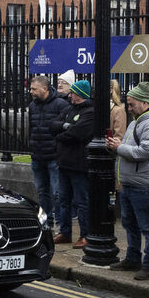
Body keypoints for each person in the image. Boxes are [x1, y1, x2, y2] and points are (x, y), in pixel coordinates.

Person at [108, 81, 149, 279]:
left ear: (144, 103)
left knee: (147, 226)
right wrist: (114, 145)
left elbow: (145, 151)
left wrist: (119, 148)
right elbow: (128, 147)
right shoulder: (136, 121)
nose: (129, 107)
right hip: (129, 182)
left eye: (132, 103)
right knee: (129, 224)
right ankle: (133, 259)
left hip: (143, 184)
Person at [50, 79, 96, 248]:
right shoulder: (69, 109)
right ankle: (65, 232)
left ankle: (85, 234)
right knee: (63, 200)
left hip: (79, 164)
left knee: (81, 200)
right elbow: (52, 125)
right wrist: (64, 127)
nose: (70, 95)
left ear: (81, 94)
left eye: (73, 92)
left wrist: (61, 134)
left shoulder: (90, 112)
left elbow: (78, 133)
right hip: (63, 162)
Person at [27, 75, 69, 238]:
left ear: (44, 89)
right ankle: (46, 223)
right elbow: (31, 127)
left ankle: (60, 225)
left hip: (53, 156)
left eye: (34, 89)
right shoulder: (32, 105)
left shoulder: (60, 105)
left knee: (58, 193)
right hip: (37, 155)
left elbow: (65, 130)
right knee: (42, 191)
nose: (31, 91)